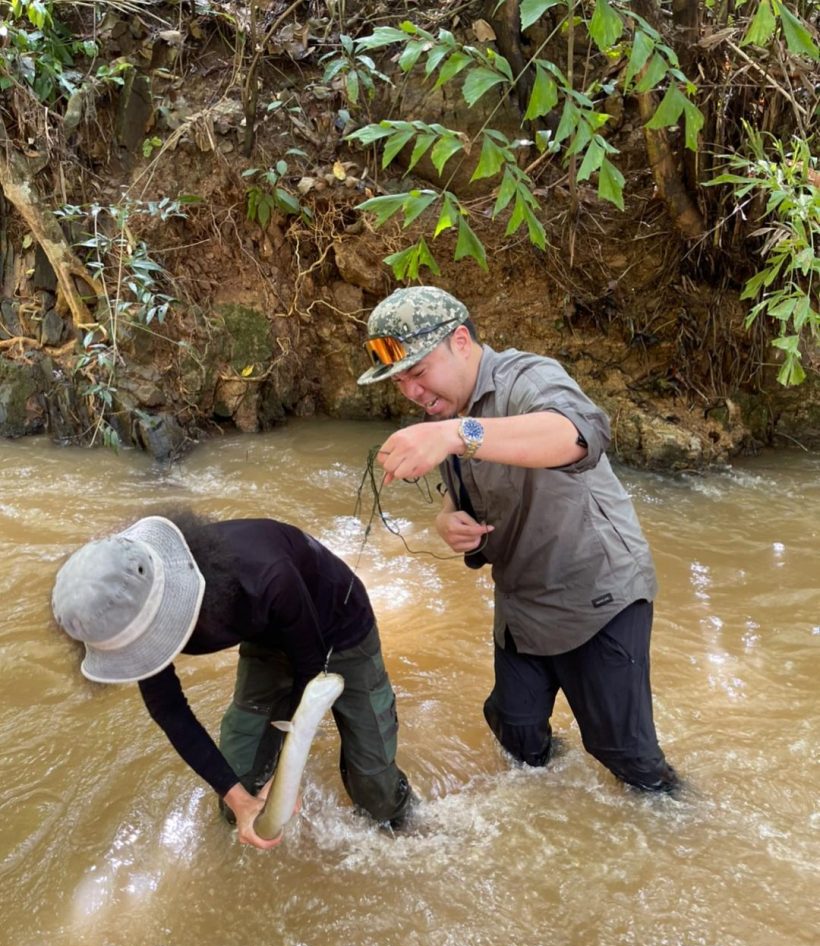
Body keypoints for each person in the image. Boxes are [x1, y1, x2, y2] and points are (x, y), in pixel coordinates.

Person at [357, 285, 679, 793]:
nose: (412, 393)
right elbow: (461, 489)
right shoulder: (446, 414)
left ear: (460, 341)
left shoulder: (527, 377)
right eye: (399, 382)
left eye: (417, 373)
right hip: (522, 599)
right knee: (515, 730)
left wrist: (457, 435)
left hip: (596, 594)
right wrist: (448, 519)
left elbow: (576, 434)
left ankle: (680, 829)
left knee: (627, 757)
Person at [51, 510, 415, 850]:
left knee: (377, 799)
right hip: (267, 638)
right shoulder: (126, 616)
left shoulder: (265, 575)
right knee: (239, 789)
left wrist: (291, 771)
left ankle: (407, 814)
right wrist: (238, 800)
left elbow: (311, 664)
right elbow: (169, 709)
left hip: (340, 628)